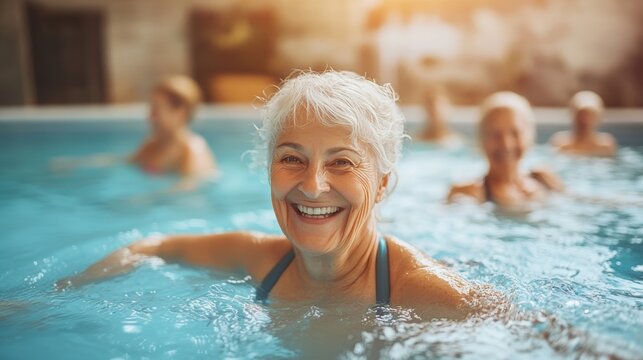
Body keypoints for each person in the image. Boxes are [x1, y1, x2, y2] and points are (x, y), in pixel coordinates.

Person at [56, 71, 488, 319]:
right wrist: (63, 294)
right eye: (291, 158)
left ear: (381, 185)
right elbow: (156, 245)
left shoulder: (424, 291)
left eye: (342, 162)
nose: (313, 185)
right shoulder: (262, 260)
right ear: (268, 171)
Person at [51, 75, 217, 191]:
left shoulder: (192, 150)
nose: (150, 116)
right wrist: (76, 164)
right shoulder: (152, 145)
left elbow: (190, 191)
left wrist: (145, 201)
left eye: (157, 110)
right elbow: (124, 162)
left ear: (179, 112)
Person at [448, 91, 564, 207]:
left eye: (515, 133)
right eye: (495, 135)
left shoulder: (544, 182)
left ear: (529, 137)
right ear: (481, 140)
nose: (506, 144)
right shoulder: (469, 193)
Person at [550, 91, 617, 157]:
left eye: (589, 116)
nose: (584, 120)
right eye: (581, 115)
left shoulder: (605, 145)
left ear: (598, 118)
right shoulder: (561, 144)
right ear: (573, 116)